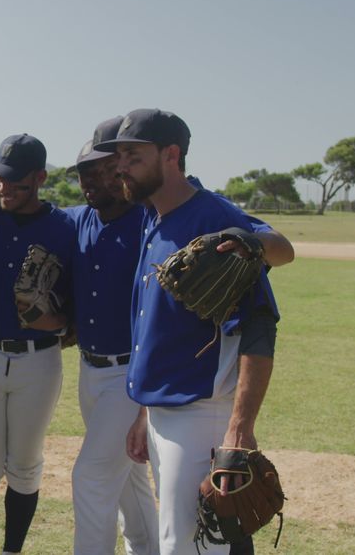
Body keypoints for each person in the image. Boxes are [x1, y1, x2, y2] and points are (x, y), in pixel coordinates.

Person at [95, 109, 294, 555]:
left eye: (132, 155)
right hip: (167, 413)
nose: (120, 165)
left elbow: (261, 320)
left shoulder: (213, 218)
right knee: (192, 543)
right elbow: (159, 333)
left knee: (188, 547)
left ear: (171, 155)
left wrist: (240, 429)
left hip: (203, 413)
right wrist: (145, 412)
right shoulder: (153, 216)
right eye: (118, 155)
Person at [0, 134, 76, 555]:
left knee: (25, 465)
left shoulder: (65, 227)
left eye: (16, 180)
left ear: (41, 178)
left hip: (39, 361)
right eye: (1, 178)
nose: (5, 187)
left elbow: (79, 296)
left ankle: (12, 550)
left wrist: (61, 321)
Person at [64, 117, 160, 555]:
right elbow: (28, 211)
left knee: (92, 477)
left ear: (121, 170)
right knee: (128, 480)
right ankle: (148, 549)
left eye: (96, 172)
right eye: (82, 175)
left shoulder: (148, 222)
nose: (87, 183)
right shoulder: (80, 219)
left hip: (129, 374)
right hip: (90, 370)